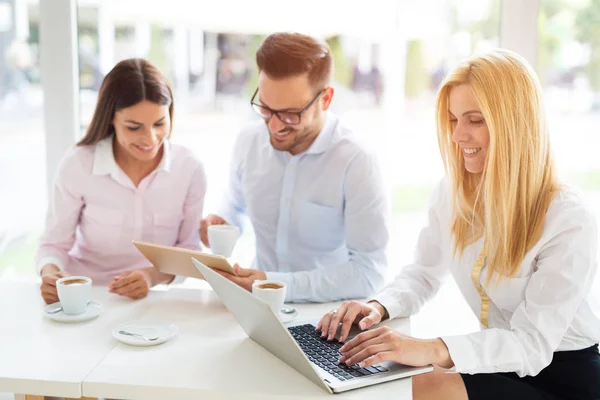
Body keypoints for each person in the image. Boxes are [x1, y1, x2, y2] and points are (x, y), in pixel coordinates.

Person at [317, 49, 600, 400]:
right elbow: (423, 273)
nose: (457, 136)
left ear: (513, 123)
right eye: (453, 120)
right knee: (385, 379)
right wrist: (378, 307)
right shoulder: (453, 192)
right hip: (500, 360)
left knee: (422, 383)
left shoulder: (568, 218)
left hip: (563, 377)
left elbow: (531, 344)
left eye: (475, 120)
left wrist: (431, 349)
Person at [200, 33, 389, 303]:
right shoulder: (248, 141)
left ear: (325, 99)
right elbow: (235, 204)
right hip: (257, 308)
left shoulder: (357, 162)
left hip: (325, 318)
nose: (275, 127)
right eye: (265, 109)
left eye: (291, 114)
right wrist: (222, 222)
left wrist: (273, 283)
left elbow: (369, 272)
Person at [36, 59, 206, 304]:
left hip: (154, 300)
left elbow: (189, 249)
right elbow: (53, 243)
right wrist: (50, 274)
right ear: (111, 119)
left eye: (159, 123)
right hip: (86, 296)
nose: (150, 139)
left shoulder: (189, 169)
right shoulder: (79, 164)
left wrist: (152, 276)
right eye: (134, 127)